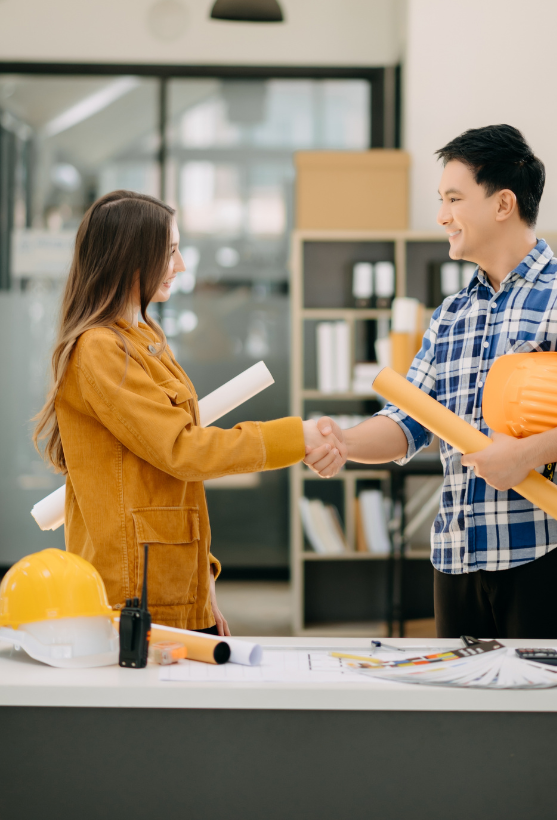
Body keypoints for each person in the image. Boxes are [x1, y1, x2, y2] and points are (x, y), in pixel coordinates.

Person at [317, 124, 557, 820]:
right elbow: (408, 422)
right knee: (465, 746)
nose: (442, 214)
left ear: (503, 202)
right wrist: (344, 442)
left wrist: (528, 453)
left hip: (549, 555)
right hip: (457, 558)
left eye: (454, 198)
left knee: (546, 753)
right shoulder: (451, 316)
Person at [34, 190, 343, 634]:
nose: (179, 266)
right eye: (170, 252)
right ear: (131, 258)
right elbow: (183, 450)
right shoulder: (100, 349)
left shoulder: (145, 338)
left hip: (169, 577)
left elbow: (166, 485)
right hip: (135, 592)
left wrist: (204, 579)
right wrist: (297, 438)